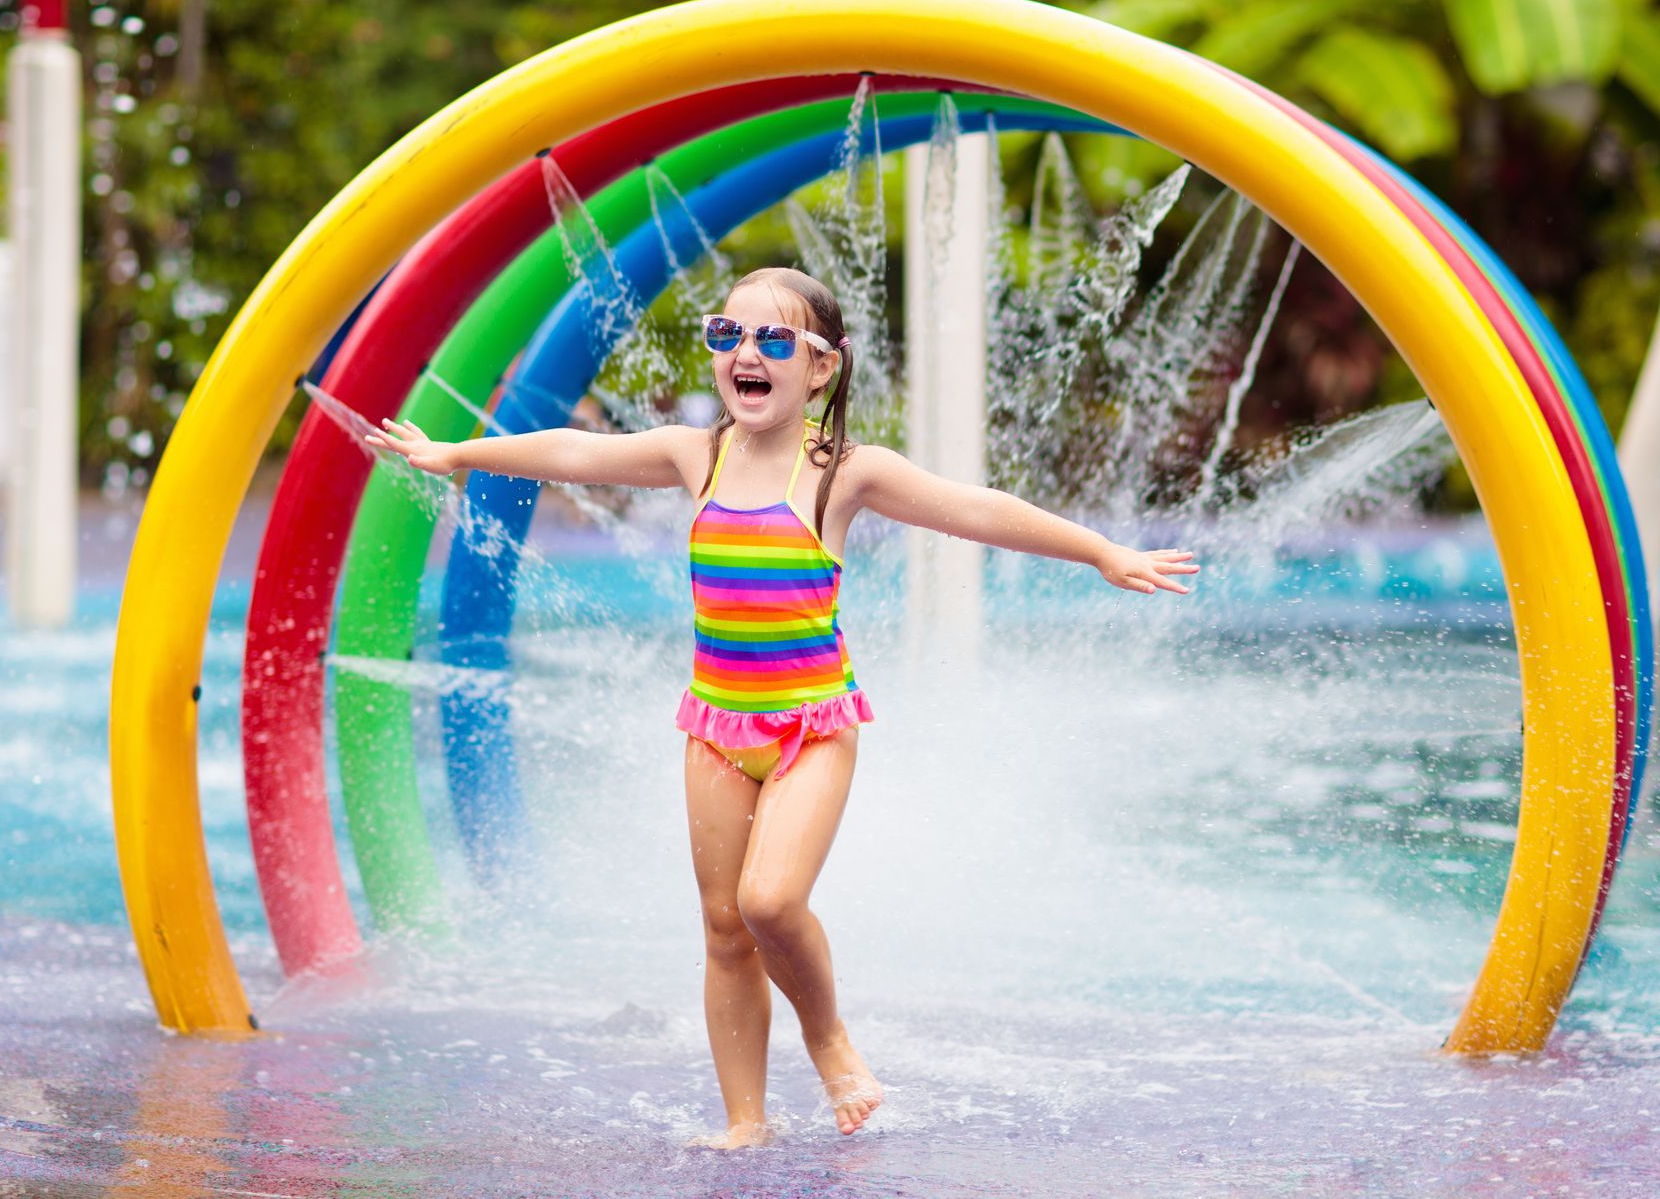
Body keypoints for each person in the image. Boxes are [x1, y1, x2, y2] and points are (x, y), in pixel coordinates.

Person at [366, 266, 1198, 1148]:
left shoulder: (844, 474)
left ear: (822, 368)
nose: (746, 355)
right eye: (728, 337)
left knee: (768, 901)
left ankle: (829, 1036)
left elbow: (975, 510)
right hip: (716, 730)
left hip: (812, 732)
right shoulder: (699, 454)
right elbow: (575, 452)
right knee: (725, 929)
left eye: (774, 340)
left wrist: (1101, 551)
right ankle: (745, 1121)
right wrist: (457, 457)